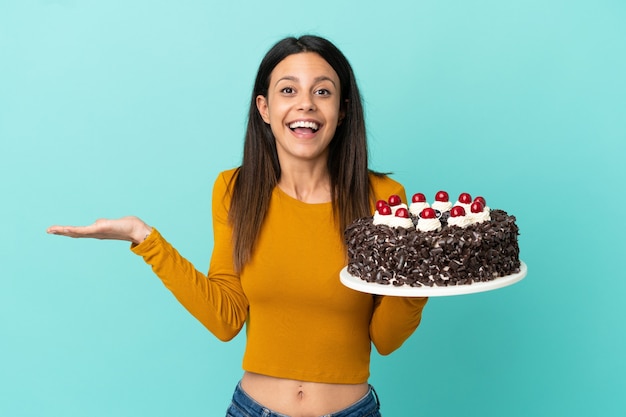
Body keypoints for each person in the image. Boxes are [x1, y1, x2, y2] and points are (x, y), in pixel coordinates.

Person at [47, 35, 428, 417]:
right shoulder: (235, 190)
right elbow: (226, 317)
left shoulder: (384, 199)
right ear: (264, 107)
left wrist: (421, 277)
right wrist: (143, 238)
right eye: (288, 89)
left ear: (342, 110)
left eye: (323, 91)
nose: (305, 103)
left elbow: (386, 338)